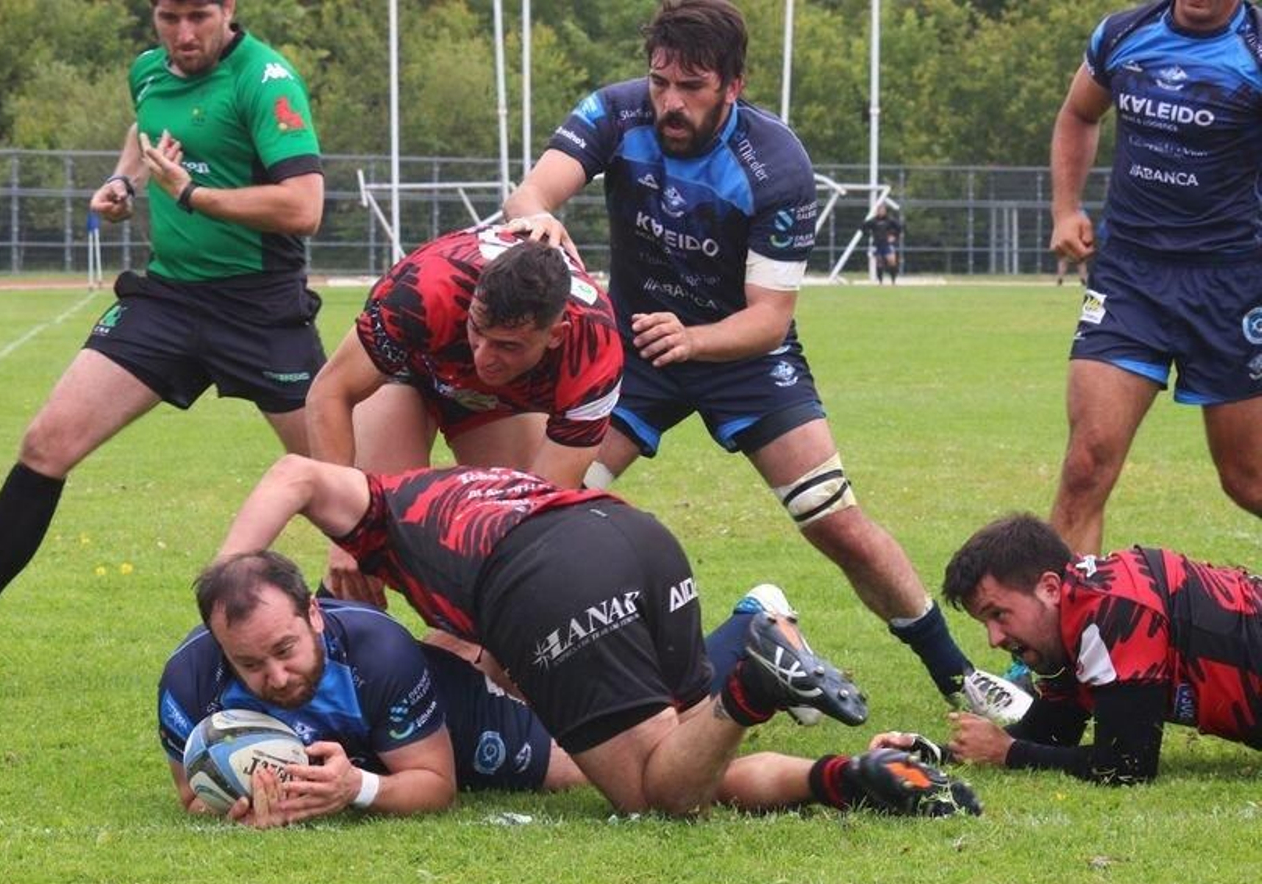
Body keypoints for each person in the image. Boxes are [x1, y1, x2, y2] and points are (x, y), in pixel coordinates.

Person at [499, 0, 1000, 713]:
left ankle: (959, 677)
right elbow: (531, 191)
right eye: (660, 82)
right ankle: (525, 685)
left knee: (836, 521)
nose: (670, 102)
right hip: (633, 351)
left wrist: (695, 339)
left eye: (692, 86)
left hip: (741, 353)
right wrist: (539, 214)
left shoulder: (776, 165)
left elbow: (769, 318)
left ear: (733, 85)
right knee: (545, 514)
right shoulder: (615, 112)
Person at [0, 0, 325, 673]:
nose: (183, 34)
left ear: (229, 8)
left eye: (199, 15)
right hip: (167, 299)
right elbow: (145, 126)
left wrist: (190, 196)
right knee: (46, 443)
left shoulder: (267, 81)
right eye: (168, 17)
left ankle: (439, 636)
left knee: (342, 487)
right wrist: (124, 179)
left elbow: (304, 207)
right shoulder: (148, 73)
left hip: (261, 310)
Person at [212, 456, 982, 819]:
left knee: (655, 798)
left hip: (551, 579)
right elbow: (462, 643)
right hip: (633, 536)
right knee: (687, 754)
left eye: (280, 647)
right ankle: (852, 775)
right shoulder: (426, 496)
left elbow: (291, 474)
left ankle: (751, 679)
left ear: (310, 614)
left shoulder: (377, 508)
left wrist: (222, 593)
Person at [307, 224, 624, 601]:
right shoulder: (427, 290)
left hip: (500, 399)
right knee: (373, 539)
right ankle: (330, 647)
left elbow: (539, 506)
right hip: (414, 363)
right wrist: (343, 530)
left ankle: (456, 656)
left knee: (511, 547)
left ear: (556, 334)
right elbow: (329, 392)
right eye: (477, 330)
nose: (483, 357)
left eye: (507, 345)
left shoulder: (593, 351)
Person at [1048, 0, 1262, 555]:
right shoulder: (1123, 34)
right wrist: (1066, 209)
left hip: (1232, 285)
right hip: (1129, 280)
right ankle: (1070, 641)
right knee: (1085, 467)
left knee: (1248, 479)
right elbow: (1079, 113)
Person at [159, 551, 587, 827]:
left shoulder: (377, 652)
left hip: (447, 719)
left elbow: (436, 785)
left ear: (313, 613)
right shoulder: (187, 684)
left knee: (584, 767)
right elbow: (191, 796)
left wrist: (355, 788)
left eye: (285, 649)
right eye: (249, 663)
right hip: (370, 736)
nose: (278, 676)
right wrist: (240, 808)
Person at [876, 513, 1261, 786]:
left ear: (1048, 587)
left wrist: (1008, 753)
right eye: (986, 623)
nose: (994, 638)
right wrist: (930, 753)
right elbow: (1050, 735)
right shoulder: (1076, 619)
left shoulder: (1115, 611)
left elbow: (1126, 765)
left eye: (999, 614)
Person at [860, 203, 901, 285]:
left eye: (883, 210)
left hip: (887, 244)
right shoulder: (873, 221)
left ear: (885, 211)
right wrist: (868, 235)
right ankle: (880, 282)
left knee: (892, 260)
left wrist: (894, 236)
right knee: (879, 262)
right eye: (880, 210)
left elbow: (899, 227)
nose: (881, 212)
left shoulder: (890, 220)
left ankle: (893, 281)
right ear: (877, 211)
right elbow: (863, 226)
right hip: (877, 244)